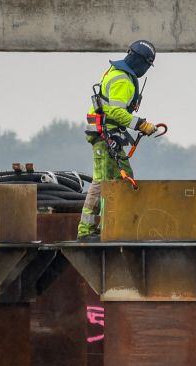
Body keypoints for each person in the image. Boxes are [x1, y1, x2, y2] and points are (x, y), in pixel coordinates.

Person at [78, 40, 163, 239]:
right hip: (106, 137)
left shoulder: (114, 72)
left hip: (104, 135)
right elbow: (115, 111)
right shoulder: (123, 80)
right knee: (107, 182)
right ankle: (91, 230)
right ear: (143, 62)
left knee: (116, 180)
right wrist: (141, 124)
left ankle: (106, 227)